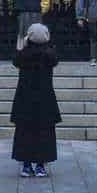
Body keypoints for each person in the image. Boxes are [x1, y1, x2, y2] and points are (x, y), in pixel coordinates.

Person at [11, 23, 61, 178]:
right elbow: (55, 59)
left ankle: (26, 165)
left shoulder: (24, 54)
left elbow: (15, 60)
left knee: (24, 131)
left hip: (25, 97)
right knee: (44, 132)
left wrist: (23, 44)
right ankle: (40, 166)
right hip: (45, 98)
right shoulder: (49, 54)